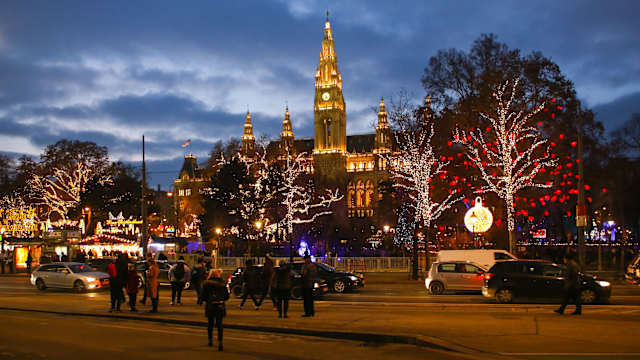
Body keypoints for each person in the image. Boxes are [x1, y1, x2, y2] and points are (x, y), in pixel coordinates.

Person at [201, 269, 229, 351]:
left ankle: (210, 340)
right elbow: (226, 296)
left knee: (210, 323)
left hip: (210, 305)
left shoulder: (206, 283)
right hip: (220, 305)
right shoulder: (222, 283)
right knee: (219, 324)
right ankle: (220, 342)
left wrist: (207, 300)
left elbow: (203, 296)